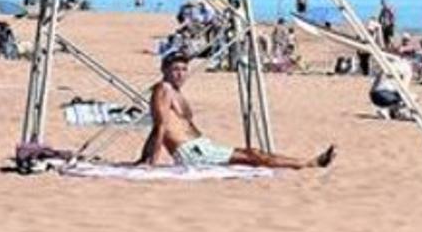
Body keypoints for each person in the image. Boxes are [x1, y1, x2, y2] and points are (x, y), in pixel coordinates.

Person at [138, 53, 335, 169]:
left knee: (252, 154)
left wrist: (143, 159)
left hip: (200, 146)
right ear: (164, 70)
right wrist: (151, 163)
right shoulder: (163, 89)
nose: (180, 73)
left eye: (183, 69)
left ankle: (307, 162)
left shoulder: (174, 91)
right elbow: (160, 126)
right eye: (175, 69)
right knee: (254, 156)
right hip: (192, 151)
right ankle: (308, 163)